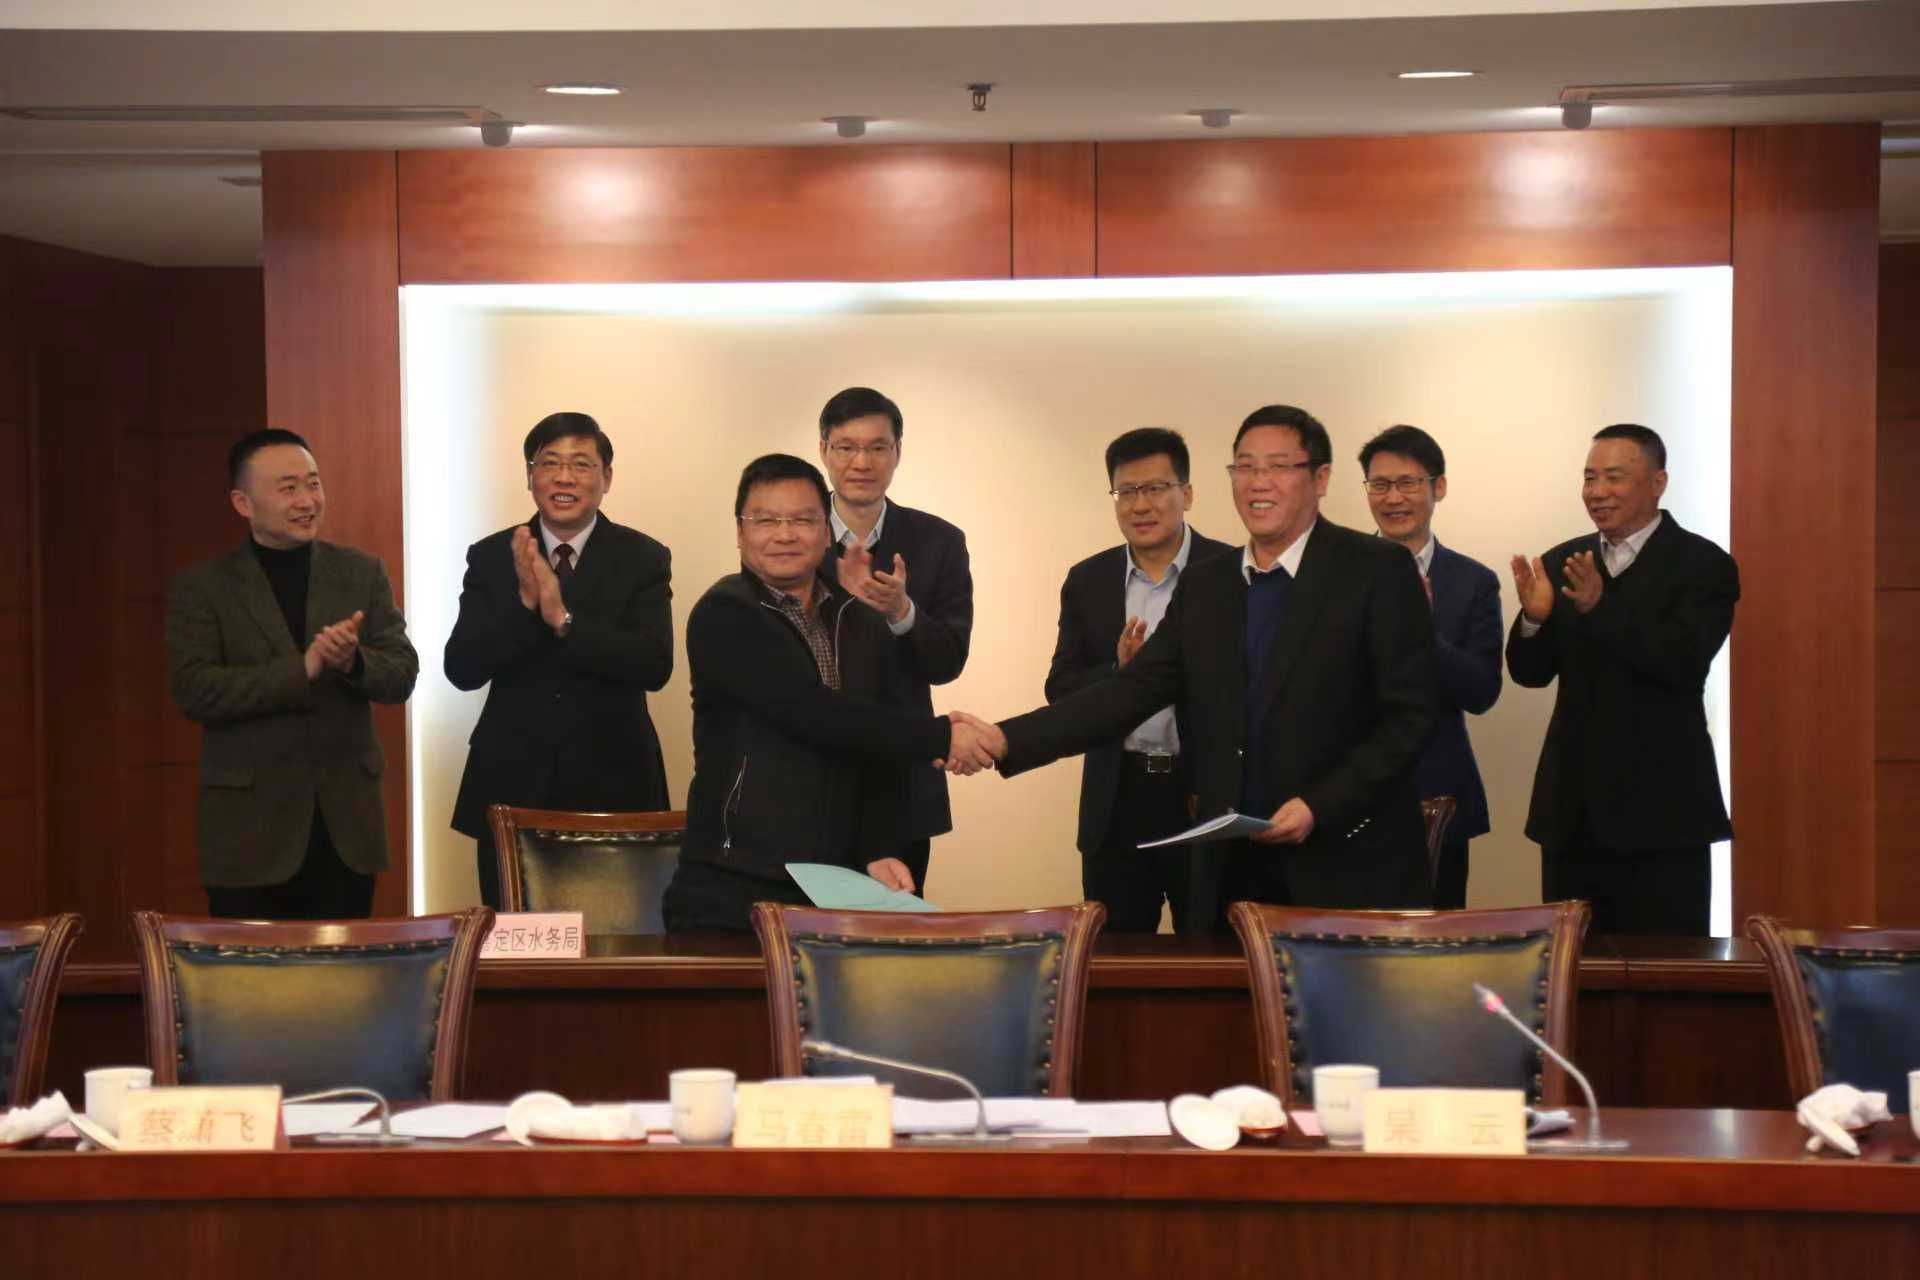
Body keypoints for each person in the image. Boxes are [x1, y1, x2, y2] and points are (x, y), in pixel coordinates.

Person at [966, 405, 1439, 931]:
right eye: (1245, 467)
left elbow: (1411, 717)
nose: (1259, 483)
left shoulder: (1376, 570)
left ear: (1320, 478)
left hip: (1348, 866)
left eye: (1278, 467)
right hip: (1234, 869)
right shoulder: (1208, 584)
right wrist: (1005, 740)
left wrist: (1319, 805)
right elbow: (1132, 691)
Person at [662, 454, 995, 931]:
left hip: (837, 879)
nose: (785, 534)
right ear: (740, 532)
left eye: (802, 520)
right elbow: (815, 714)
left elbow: (871, 741)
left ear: (825, 532)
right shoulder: (725, 612)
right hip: (737, 878)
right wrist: (943, 737)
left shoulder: (852, 614)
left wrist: (876, 847)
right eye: (766, 520)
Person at [165, 428, 418, 918]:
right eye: (288, 488)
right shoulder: (204, 587)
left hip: (344, 829)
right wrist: (302, 668)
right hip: (249, 832)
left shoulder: (361, 572)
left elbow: (402, 672)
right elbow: (195, 690)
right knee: (252, 969)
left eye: (313, 483)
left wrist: (353, 662)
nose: (307, 500)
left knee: (344, 965)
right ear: (243, 502)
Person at [1508, 423, 1738, 936]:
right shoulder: (1564, 561)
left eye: (1614, 477)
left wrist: (1600, 608)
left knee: (1666, 969)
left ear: (1658, 483)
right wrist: (1534, 621)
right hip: (1572, 814)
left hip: (1664, 813)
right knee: (1574, 969)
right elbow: (1529, 674)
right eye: (1589, 478)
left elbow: (1681, 661)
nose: (1597, 492)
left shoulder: (1703, 565)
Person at [445, 412, 673, 909]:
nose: (564, 478)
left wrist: (563, 619)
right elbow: (461, 668)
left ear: (606, 478)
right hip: (511, 784)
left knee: (615, 937)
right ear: (530, 477)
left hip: (613, 783)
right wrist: (525, 607)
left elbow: (654, 665)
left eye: (581, 465)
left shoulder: (643, 557)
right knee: (515, 938)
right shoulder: (491, 555)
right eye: (549, 463)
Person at [1044, 427, 1234, 933]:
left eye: (1155, 488)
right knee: (1115, 958)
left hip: (1205, 794)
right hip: (1118, 798)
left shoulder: (1231, 572)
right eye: (1127, 491)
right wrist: (1118, 673)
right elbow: (1061, 690)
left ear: (1186, 494)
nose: (1140, 505)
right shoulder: (1088, 580)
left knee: (1215, 954)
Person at [818, 387, 974, 895]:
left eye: (877, 447)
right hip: (812, 778)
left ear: (898, 452)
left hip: (903, 781)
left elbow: (948, 661)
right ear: (824, 450)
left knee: (898, 934)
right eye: (846, 447)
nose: (861, 462)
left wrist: (903, 613)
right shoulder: (795, 537)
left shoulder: (939, 541)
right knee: (799, 935)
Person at [1359, 424, 1502, 909]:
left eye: (1407, 483)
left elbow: (1481, 692)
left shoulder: (1473, 581)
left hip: (1438, 791)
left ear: (1437, 487)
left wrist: (1422, 628)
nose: (1392, 498)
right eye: (1380, 484)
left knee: (1436, 941)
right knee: (1347, 941)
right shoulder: (1336, 571)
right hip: (1347, 796)